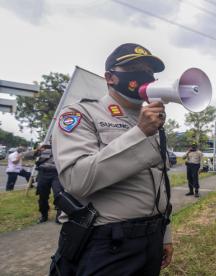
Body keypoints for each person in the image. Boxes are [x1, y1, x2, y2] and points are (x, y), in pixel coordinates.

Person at [50, 43, 173, 276]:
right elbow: (76, 180)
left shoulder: (153, 122)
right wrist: (139, 133)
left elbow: (160, 181)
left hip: (152, 236)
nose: (146, 76)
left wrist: (165, 234)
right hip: (107, 242)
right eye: (135, 68)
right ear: (110, 77)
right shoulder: (81, 114)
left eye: (149, 71)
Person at [34, 143, 63, 224]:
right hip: (43, 173)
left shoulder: (61, 148)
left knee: (58, 194)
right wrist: (37, 151)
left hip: (56, 174)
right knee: (42, 196)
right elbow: (28, 155)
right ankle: (44, 215)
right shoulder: (43, 149)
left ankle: (59, 215)